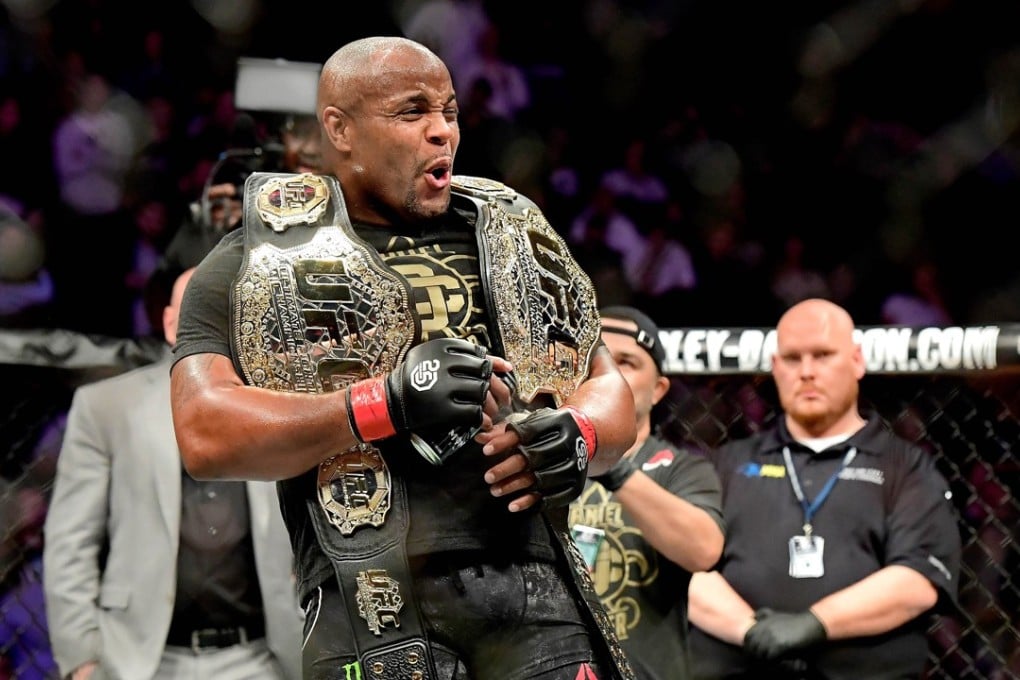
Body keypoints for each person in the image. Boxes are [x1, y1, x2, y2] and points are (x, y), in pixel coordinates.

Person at [169, 35, 638, 680]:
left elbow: (608, 385)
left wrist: (577, 431)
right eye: (412, 112)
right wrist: (380, 404)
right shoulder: (259, 259)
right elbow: (204, 430)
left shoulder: (510, 230)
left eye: (449, 111)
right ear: (339, 129)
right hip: (367, 594)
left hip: (536, 585)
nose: (442, 132)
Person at [43, 267, 303, 680]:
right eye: (196, 313)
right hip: (140, 659)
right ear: (169, 323)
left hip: (263, 655)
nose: (209, 328)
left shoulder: (285, 402)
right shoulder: (107, 406)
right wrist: (82, 659)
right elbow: (70, 541)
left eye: (223, 314)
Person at [687, 298, 962, 680]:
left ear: (857, 361)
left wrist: (815, 624)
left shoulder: (905, 466)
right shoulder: (727, 463)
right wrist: (751, 631)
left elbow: (919, 579)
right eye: (793, 358)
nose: (807, 372)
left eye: (823, 355)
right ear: (775, 368)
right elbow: (685, 567)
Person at [569, 306, 725, 680]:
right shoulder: (537, 460)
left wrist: (612, 462)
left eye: (628, 362)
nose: (611, 374)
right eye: (597, 357)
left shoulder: (681, 469)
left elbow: (703, 549)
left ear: (658, 390)